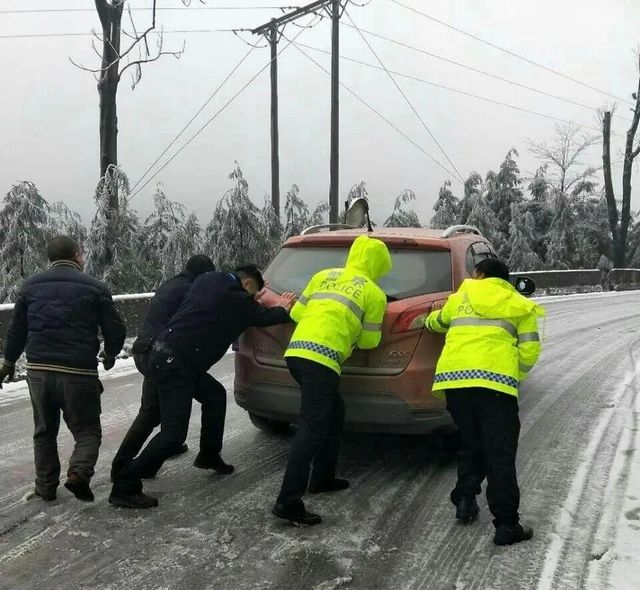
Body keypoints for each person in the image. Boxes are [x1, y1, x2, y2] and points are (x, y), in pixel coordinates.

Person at [109, 265, 296, 509]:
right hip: (175, 364)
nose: (253, 299)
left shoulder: (208, 280)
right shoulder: (236, 299)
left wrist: (251, 298)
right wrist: (281, 306)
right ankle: (125, 484)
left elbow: (237, 305)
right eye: (254, 293)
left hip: (169, 355)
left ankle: (209, 454)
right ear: (248, 283)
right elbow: (266, 317)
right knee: (173, 436)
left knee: (215, 396)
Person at [273, 235, 392, 526]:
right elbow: (369, 341)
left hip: (297, 354)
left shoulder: (323, 275)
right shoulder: (374, 293)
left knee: (334, 411)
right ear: (379, 265)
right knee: (312, 427)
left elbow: (299, 313)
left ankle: (323, 477)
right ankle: (288, 501)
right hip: (323, 359)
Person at [425, 257, 544, 546]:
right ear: (505, 279)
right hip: (495, 388)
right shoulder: (520, 305)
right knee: (499, 454)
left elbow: (435, 323)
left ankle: (465, 499)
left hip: (455, 384)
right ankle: (506, 524)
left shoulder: (460, 297)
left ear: (479, 274)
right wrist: (510, 376)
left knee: (471, 443)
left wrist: (425, 319)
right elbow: (529, 352)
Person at [0, 236, 125, 503]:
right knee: (87, 430)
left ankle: (45, 488)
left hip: (39, 370)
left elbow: (17, 330)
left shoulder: (29, 286)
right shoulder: (95, 287)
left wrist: (8, 362)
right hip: (78, 371)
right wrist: (110, 354)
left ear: (50, 258)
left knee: (44, 431)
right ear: (77, 255)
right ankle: (78, 473)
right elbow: (116, 328)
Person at [110, 255, 216, 481]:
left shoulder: (172, 284)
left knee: (150, 413)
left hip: (145, 351)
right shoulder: (192, 291)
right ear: (204, 275)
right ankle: (134, 472)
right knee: (211, 397)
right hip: (166, 358)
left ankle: (121, 465)